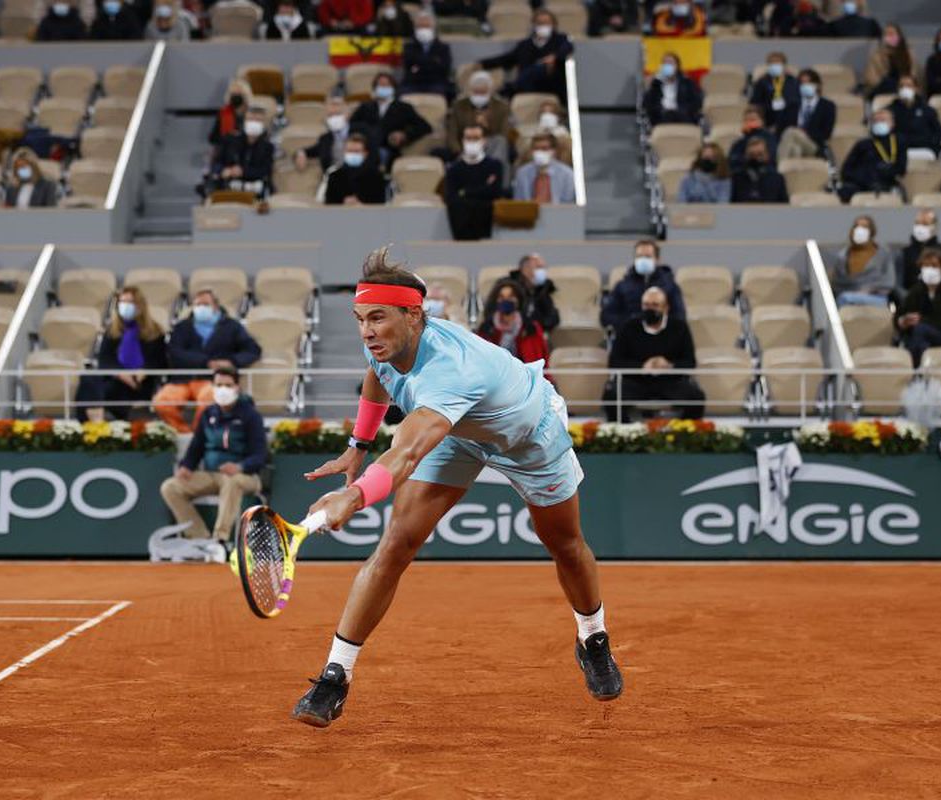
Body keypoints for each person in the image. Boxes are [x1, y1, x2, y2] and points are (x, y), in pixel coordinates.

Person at [290, 247, 623, 728]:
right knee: (396, 544)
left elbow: (405, 453)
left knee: (565, 544)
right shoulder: (382, 342)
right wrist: (357, 444)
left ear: (413, 315)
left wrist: (355, 494)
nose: (366, 331)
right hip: (459, 433)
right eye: (361, 318)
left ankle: (592, 636)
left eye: (378, 319)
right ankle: (335, 676)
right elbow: (377, 379)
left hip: (528, 436)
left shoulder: (450, 371)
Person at [159, 365, 268, 559]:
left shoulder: (250, 415)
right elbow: (197, 446)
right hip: (211, 474)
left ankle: (221, 540)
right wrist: (186, 466)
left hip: (245, 476)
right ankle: (200, 539)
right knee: (170, 487)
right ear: (213, 386)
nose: (223, 389)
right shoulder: (208, 414)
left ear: (237, 387)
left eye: (228, 385)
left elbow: (260, 455)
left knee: (231, 482)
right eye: (219, 385)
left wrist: (240, 467)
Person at [153, 289, 262, 432]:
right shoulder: (182, 327)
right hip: (181, 380)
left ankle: (199, 435)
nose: (200, 308)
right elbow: (174, 352)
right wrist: (206, 362)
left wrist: (231, 362)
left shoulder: (232, 326)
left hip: (211, 380)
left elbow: (252, 350)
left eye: (205, 304)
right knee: (162, 402)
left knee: (210, 400)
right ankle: (184, 433)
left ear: (215, 306)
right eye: (197, 304)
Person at [603, 286, 704, 421]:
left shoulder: (679, 327)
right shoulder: (628, 326)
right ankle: (628, 433)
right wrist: (642, 366)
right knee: (611, 396)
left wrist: (669, 365)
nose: (650, 309)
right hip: (636, 381)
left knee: (696, 397)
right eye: (646, 305)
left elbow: (689, 362)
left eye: (655, 305)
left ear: (666, 307)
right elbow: (615, 362)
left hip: (670, 381)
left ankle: (681, 434)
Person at [79, 286, 168, 421]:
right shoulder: (112, 331)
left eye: (129, 302)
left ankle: (100, 420)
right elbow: (104, 359)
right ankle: (93, 423)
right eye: (122, 302)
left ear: (140, 305)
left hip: (141, 383)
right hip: (117, 378)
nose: (125, 306)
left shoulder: (155, 332)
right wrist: (120, 374)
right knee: (88, 380)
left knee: (101, 391)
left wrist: (144, 372)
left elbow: (161, 360)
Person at [479, 8, 574, 101]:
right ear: (534, 25)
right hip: (528, 87)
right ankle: (510, 89)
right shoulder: (525, 45)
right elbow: (506, 59)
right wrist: (481, 64)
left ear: (553, 25)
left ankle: (511, 88)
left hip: (552, 86)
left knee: (541, 68)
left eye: (546, 23)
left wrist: (555, 57)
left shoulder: (560, 39)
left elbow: (568, 48)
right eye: (540, 23)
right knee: (530, 72)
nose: (543, 26)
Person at [895, 249, 941, 367]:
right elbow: (900, 314)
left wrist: (924, 320)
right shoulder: (917, 290)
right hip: (920, 338)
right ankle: (924, 373)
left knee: (920, 330)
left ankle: (917, 374)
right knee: (919, 339)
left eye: (934, 266)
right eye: (926, 266)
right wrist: (903, 321)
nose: (930, 270)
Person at [349, 73, 432, 169]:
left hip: (389, 149)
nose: (383, 88)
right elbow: (351, 125)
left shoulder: (403, 108)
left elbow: (425, 126)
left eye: (386, 85)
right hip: (366, 148)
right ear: (375, 88)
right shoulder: (365, 107)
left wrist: (405, 135)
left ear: (393, 88)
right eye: (380, 85)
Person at [600, 240, 686, 330]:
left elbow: (679, 316)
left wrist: (658, 323)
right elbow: (606, 316)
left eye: (647, 256)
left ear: (657, 259)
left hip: (662, 337)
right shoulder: (622, 286)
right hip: (630, 336)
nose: (643, 260)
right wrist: (630, 322)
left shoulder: (670, 286)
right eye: (639, 256)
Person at [443, 124, 505, 241]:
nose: (472, 142)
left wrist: (465, 192)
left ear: (484, 140)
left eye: (476, 138)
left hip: (489, 226)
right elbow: (451, 198)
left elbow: (495, 192)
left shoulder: (495, 166)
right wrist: (483, 189)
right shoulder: (453, 169)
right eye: (468, 138)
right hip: (461, 228)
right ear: (462, 141)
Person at [447, 71, 513, 174]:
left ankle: (497, 178)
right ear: (470, 91)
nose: (479, 96)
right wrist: (459, 150)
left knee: (500, 142)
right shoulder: (459, 106)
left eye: (482, 93)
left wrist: (486, 125)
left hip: (491, 145)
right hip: (465, 145)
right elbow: (452, 134)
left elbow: (504, 133)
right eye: (476, 92)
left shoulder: (501, 107)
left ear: (489, 91)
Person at [476, 279, 550, 365]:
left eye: (511, 296)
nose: (506, 300)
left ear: (518, 300)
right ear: (496, 301)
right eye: (501, 297)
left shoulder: (531, 328)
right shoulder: (487, 329)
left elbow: (539, 362)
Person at [838, 109, 906, 202]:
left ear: (892, 123)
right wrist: (865, 179)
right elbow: (846, 171)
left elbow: (901, 169)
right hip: (861, 185)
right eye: (875, 121)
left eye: (882, 120)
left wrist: (886, 172)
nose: (878, 123)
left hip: (886, 183)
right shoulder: (862, 144)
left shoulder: (899, 143)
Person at [829, 215, 896, 307]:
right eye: (857, 226)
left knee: (845, 299)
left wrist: (869, 290)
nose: (860, 230)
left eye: (864, 227)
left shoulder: (883, 253)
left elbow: (889, 281)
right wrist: (855, 291)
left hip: (876, 297)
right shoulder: (842, 256)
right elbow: (836, 283)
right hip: (847, 296)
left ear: (871, 231)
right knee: (843, 299)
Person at [210, 107, 275, 198]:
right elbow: (216, 164)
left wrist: (243, 171)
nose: (254, 123)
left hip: (255, 190)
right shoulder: (229, 140)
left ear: (264, 124)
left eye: (258, 120)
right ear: (244, 121)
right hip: (228, 188)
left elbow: (266, 170)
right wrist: (223, 170)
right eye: (251, 119)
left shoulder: (268, 147)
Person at [776, 68, 836, 159]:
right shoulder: (792, 106)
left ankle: (779, 169)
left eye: (809, 83)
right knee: (795, 149)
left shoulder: (828, 106)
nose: (805, 86)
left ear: (818, 85)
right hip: (792, 142)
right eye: (802, 83)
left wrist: (804, 133)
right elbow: (780, 130)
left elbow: (826, 133)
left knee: (791, 131)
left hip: (814, 145)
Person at [297, 96, 360, 173]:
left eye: (338, 114)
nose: (334, 119)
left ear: (347, 114)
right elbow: (309, 151)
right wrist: (300, 153)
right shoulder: (325, 139)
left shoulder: (363, 132)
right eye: (331, 115)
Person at [323, 134, 387, 205]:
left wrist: (362, 206)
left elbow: (381, 205)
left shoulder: (377, 177)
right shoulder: (334, 176)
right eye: (350, 151)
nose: (353, 154)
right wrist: (343, 204)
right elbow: (328, 204)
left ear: (365, 153)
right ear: (344, 152)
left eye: (356, 151)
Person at [888, 75, 941, 155]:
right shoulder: (889, 111)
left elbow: (939, 134)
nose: (905, 89)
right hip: (900, 149)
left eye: (908, 86)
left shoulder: (928, 110)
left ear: (916, 89)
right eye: (901, 86)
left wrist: (926, 142)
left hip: (925, 148)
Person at [642, 53, 702, 127]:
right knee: (667, 115)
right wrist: (654, 84)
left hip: (683, 116)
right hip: (662, 116)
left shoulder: (687, 83)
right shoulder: (656, 84)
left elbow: (696, 102)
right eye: (665, 63)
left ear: (677, 66)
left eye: (670, 63)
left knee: (677, 114)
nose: (668, 66)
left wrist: (686, 112)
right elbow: (647, 104)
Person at [400, 11, 452, 97]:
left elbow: (444, 69)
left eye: (426, 26)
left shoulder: (443, 47)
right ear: (415, 29)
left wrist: (418, 65)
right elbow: (408, 67)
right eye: (420, 27)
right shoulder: (408, 47)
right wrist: (433, 61)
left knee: (441, 92)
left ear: (433, 28)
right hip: (413, 82)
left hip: (436, 82)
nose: (424, 30)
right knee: (404, 94)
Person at [513, 133, 575, 204]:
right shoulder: (522, 173)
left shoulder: (567, 174)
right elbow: (518, 202)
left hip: (558, 213)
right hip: (529, 213)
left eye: (544, 148)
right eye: (536, 149)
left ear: (553, 151)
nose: (540, 152)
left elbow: (568, 203)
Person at [509, 252, 560, 333]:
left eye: (543, 268)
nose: (542, 272)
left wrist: (537, 325)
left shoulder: (543, 289)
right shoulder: (509, 287)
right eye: (538, 267)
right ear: (525, 269)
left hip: (535, 337)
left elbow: (552, 318)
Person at [751, 52, 800, 134]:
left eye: (777, 62)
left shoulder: (793, 81)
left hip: (789, 121)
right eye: (772, 63)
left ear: (784, 65)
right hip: (768, 119)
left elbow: (797, 100)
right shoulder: (762, 82)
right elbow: (755, 102)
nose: (775, 65)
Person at [731, 136, 788, 203]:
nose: (756, 159)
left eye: (760, 155)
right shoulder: (737, 178)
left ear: (767, 155)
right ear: (746, 156)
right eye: (752, 155)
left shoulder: (777, 179)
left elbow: (785, 206)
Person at [727, 106, 778, 173]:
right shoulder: (739, 143)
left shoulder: (770, 138)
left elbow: (771, 157)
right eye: (746, 120)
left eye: (752, 119)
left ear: (762, 121)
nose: (749, 123)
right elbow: (732, 161)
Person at [207, 85, 248, 150]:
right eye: (233, 94)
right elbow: (212, 138)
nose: (236, 97)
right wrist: (229, 137)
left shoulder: (253, 114)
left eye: (240, 94)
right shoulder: (224, 113)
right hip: (227, 150)